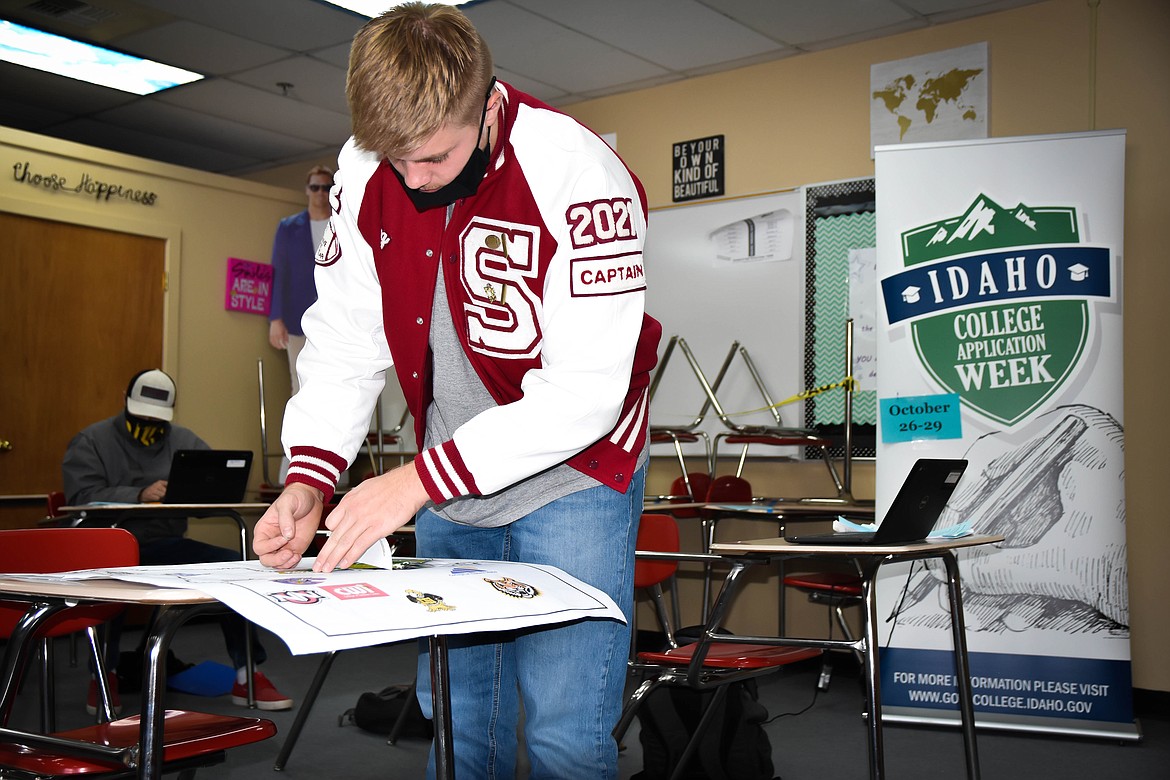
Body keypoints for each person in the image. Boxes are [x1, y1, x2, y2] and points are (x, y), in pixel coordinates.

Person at [252, 3, 660, 777]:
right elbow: (345, 338)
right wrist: (310, 473)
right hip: (449, 483)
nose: (411, 179)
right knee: (460, 723)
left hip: (574, 478)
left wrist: (414, 482)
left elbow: (585, 393)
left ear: (487, 107)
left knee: (565, 736)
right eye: (394, 157)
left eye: (434, 158)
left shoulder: (579, 173)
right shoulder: (369, 167)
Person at [63, 368, 294, 712]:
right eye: (142, 415)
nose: (150, 424)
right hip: (111, 546)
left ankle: (248, 674)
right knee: (110, 576)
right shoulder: (92, 441)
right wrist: (139, 494)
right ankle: (104, 674)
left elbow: (209, 497)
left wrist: (202, 493)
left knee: (233, 565)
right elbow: (81, 495)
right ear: (126, 404)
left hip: (165, 545)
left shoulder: (183, 441)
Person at [268, 165, 334, 484]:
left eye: (326, 187)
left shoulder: (343, 223)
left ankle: (333, 469)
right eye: (315, 188)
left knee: (335, 388)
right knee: (301, 390)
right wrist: (275, 319)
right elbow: (278, 273)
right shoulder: (289, 227)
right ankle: (293, 471)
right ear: (307, 190)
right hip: (297, 320)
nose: (321, 193)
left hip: (335, 320)